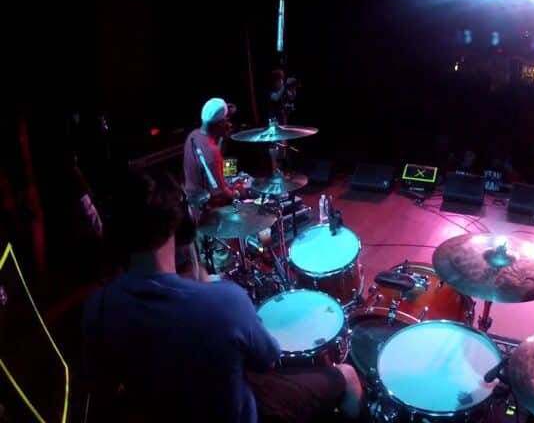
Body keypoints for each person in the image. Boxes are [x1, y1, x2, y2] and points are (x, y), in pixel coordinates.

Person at [82, 169, 364, 423]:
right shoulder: (225, 301)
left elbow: (103, 387)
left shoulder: (98, 307)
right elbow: (267, 360)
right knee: (348, 376)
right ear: (179, 226)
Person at [183, 98, 239, 202]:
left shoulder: (193, 135)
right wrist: (238, 193)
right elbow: (219, 193)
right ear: (220, 124)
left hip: (192, 199)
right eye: (227, 120)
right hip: (206, 207)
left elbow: (212, 163)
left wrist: (223, 139)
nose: (230, 124)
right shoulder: (211, 152)